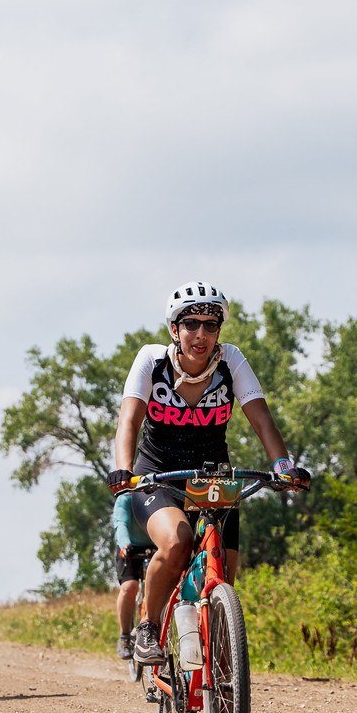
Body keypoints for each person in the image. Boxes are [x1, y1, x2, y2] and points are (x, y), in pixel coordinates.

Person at [107, 281, 310, 665]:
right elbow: (128, 422)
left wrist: (284, 468)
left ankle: (222, 686)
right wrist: (122, 468)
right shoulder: (152, 361)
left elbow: (263, 421)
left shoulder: (231, 361)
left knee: (224, 576)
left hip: (212, 477)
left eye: (211, 325)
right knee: (179, 540)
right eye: (191, 324)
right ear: (174, 329)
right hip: (158, 478)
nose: (201, 334)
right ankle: (147, 627)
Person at [112, 491, 154, 660]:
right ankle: (124, 636)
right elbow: (121, 523)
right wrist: (125, 544)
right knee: (130, 587)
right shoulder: (126, 498)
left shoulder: (160, 493)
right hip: (130, 546)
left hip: (157, 544)